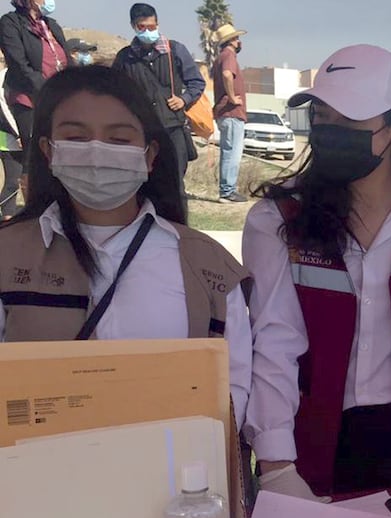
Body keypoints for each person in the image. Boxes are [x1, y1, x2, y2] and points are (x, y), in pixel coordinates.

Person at [243, 45, 391, 515]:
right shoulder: (278, 220)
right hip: (308, 441)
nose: (331, 133)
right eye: (323, 118)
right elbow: (273, 341)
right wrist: (275, 464)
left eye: (350, 124)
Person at [0, 65, 251, 429]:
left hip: (172, 478)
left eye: (118, 140)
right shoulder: (8, 255)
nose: (97, 152)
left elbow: (235, 386)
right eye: (76, 137)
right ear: (48, 151)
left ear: (150, 156)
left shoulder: (207, 265)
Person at [112, 3, 205, 182]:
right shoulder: (125, 57)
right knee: (144, 182)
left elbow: (196, 82)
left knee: (175, 180)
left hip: (173, 127)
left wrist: (184, 99)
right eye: (142, 27)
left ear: (158, 24)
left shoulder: (175, 50)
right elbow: (115, 91)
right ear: (133, 26)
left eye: (152, 26)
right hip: (140, 130)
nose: (148, 31)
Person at [0, 0, 66, 153]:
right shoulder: (10, 22)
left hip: (58, 98)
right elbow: (18, 63)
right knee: (35, 154)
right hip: (29, 98)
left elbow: (66, 56)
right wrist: (45, 89)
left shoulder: (52, 25)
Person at [211, 22, 246, 203]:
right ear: (232, 40)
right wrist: (232, 98)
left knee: (228, 151)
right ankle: (227, 191)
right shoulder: (229, 56)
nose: (239, 42)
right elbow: (227, 75)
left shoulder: (221, 57)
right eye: (237, 38)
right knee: (232, 152)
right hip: (231, 112)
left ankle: (227, 189)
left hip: (225, 113)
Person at [0, 67, 22, 218]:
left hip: (15, 138)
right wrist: (19, 134)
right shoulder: (5, 77)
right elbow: (5, 109)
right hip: (9, 140)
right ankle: (8, 217)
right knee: (13, 180)